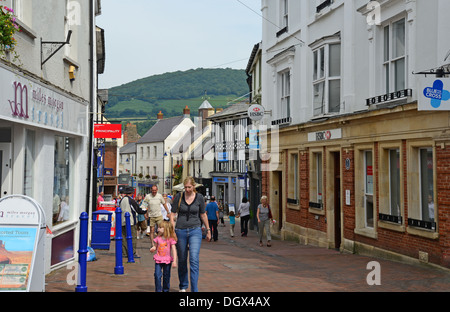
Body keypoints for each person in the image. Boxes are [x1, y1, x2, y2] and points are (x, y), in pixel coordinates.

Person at [170, 176, 211, 292]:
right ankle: (183, 285)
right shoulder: (179, 196)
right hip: (180, 230)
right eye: (185, 187)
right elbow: (172, 214)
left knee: (193, 259)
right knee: (182, 259)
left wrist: (208, 230)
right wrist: (172, 230)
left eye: (189, 187)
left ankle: (194, 289)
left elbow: (203, 214)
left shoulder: (199, 198)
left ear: (194, 186)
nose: (187, 189)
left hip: (195, 230)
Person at [150, 221, 177, 292]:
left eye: (160, 227)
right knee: (157, 275)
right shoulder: (158, 238)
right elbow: (155, 246)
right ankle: (158, 290)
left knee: (166, 276)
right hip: (158, 259)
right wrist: (153, 248)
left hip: (167, 260)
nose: (158, 229)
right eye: (158, 227)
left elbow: (174, 250)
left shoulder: (170, 239)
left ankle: (165, 289)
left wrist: (174, 261)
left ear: (166, 229)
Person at [120, 186, 146, 258]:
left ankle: (124, 253)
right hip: (131, 222)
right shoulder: (131, 200)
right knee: (133, 237)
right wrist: (145, 211)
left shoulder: (122, 200)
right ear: (132, 193)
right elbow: (138, 210)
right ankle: (132, 253)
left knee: (124, 238)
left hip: (122, 221)